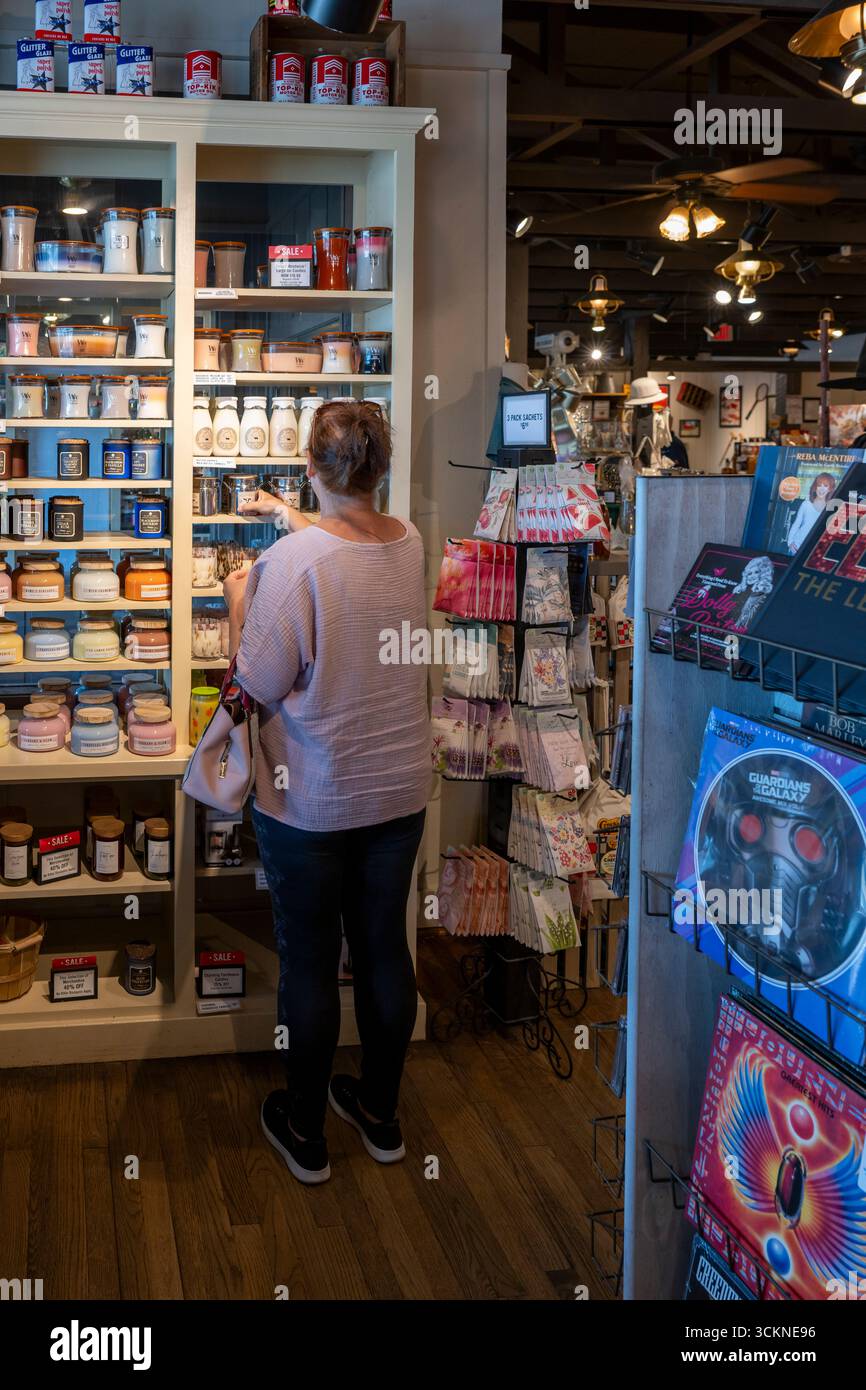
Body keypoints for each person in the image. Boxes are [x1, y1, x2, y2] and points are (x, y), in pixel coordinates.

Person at [224, 400, 431, 1186]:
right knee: (383, 946)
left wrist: (242, 596)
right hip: (399, 790)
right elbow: (346, 568)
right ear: (380, 469)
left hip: (312, 795)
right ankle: (381, 1115)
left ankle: (305, 1132)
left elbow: (254, 679)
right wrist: (292, 519)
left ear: (312, 468)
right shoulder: (410, 543)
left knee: (309, 962)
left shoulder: (293, 566)